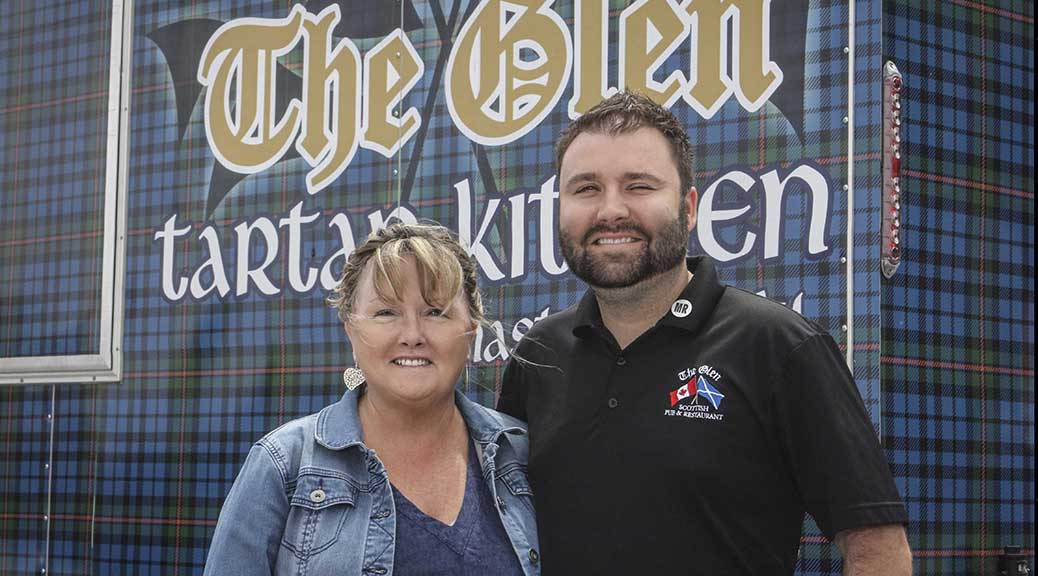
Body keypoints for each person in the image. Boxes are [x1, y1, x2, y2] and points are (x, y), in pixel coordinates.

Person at [496, 91, 911, 575]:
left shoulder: (779, 346)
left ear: (689, 208)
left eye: (639, 186)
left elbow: (879, 549)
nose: (610, 210)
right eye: (586, 188)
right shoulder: (537, 354)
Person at [205, 224, 540, 576]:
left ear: (470, 329)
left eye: (435, 312)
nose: (412, 335)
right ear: (351, 330)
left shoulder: (521, 453)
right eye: (386, 312)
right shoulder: (282, 464)